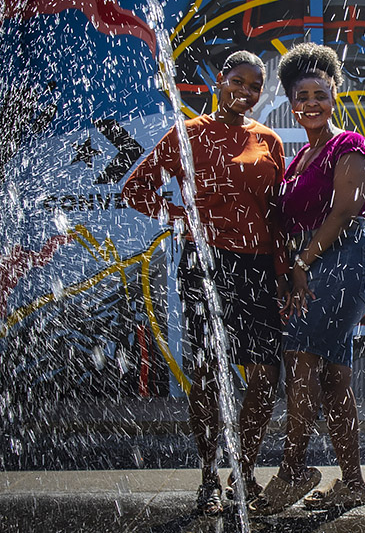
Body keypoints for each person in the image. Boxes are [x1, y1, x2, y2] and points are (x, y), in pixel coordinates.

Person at [121, 50, 285, 515]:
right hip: (207, 265)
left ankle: (244, 472)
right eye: (239, 81)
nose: (247, 92)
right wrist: (184, 218)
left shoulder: (268, 139)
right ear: (220, 81)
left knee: (266, 373)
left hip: (258, 266)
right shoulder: (188, 134)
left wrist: (285, 270)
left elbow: (277, 212)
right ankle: (208, 475)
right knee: (211, 371)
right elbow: (136, 190)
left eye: (255, 87)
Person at [251, 42, 365, 515]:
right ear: (291, 103)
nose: (311, 103)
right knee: (333, 374)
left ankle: (293, 471)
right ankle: (353, 482)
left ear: (334, 95)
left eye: (320, 94)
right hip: (315, 261)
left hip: (348, 253)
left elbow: (348, 207)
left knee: (301, 356)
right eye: (301, 96)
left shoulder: (348, 145)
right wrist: (293, 271)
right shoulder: (297, 161)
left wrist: (304, 262)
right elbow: (288, 226)